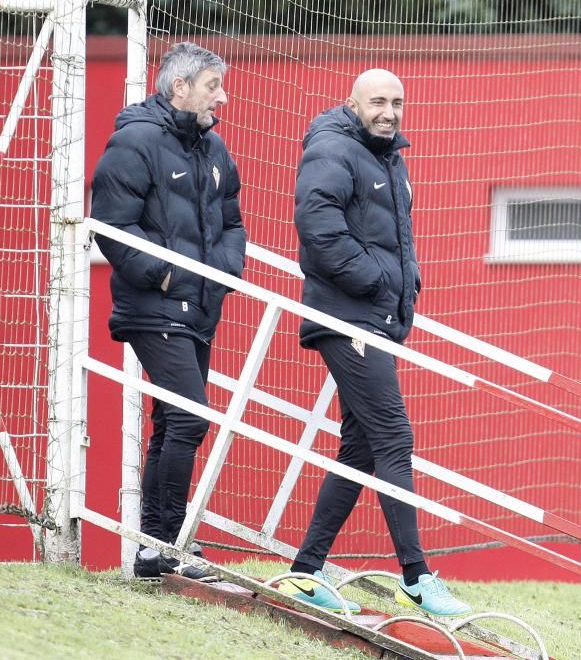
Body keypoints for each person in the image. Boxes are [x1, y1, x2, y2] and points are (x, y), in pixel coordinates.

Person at [279, 69, 471, 616]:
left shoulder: (388, 154)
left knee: (362, 447)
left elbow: (397, 233)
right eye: (378, 102)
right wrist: (377, 283)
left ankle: (304, 571)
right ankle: (416, 575)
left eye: (397, 102)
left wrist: (405, 285)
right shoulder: (332, 148)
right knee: (394, 437)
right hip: (348, 317)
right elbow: (318, 226)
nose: (389, 111)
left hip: (375, 317)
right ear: (352, 104)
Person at [90, 42, 246, 579]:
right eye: (212, 87)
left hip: (199, 308)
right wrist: (166, 274)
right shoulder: (135, 140)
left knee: (172, 422)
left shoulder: (213, 147)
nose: (221, 97)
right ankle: (170, 542)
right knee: (189, 416)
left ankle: (154, 548)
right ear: (179, 88)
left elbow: (232, 222)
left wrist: (219, 276)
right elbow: (111, 225)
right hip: (154, 306)